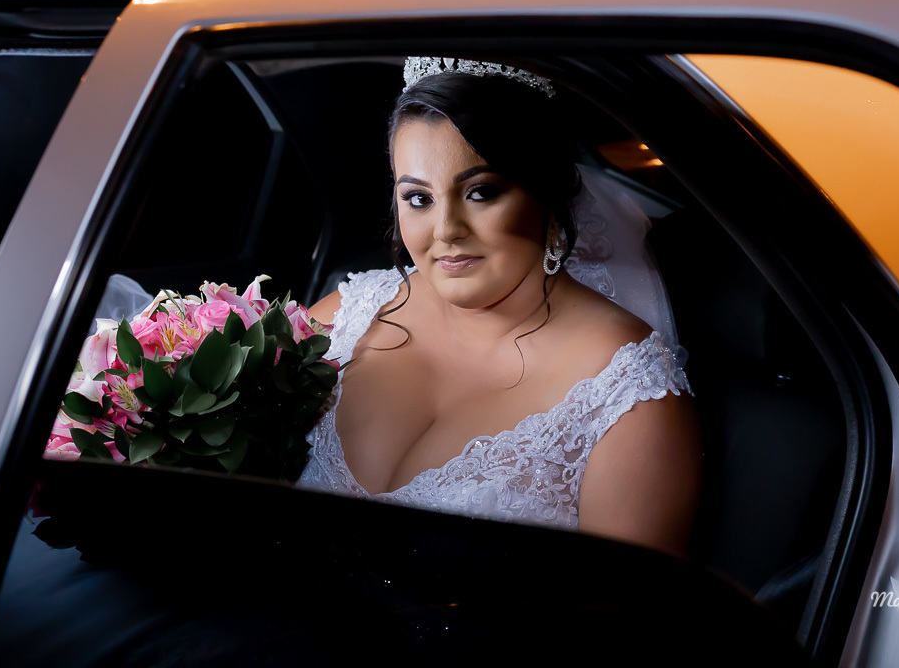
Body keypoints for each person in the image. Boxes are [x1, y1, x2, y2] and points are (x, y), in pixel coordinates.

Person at [296, 57, 701, 557]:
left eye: (481, 192)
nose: (446, 230)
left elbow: (621, 627)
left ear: (547, 194)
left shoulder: (628, 398)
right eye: (419, 199)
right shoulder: (346, 317)